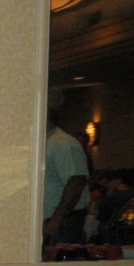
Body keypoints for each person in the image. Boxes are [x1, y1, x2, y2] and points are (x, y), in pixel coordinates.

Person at [43, 106, 90, 251]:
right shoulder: (46, 142)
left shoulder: (62, 143)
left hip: (63, 222)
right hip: (52, 221)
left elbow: (76, 182)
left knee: (59, 262)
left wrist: (56, 221)